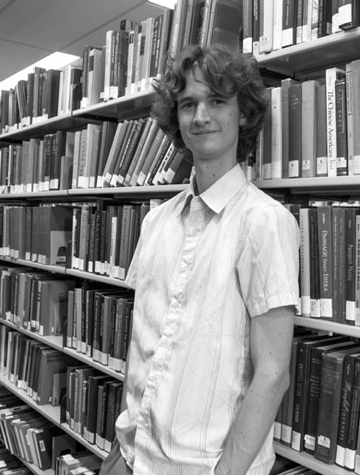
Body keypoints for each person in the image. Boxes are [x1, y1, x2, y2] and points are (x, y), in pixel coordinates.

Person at [100, 43, 300, 475]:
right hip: (132, 458)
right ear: (176, 119)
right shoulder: (155, 221)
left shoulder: (264, 223)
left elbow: (273, 374)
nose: (201, 116)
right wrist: (121, 451)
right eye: (188, 104)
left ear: (243, 113)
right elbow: (145, 348)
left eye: (217, 101)